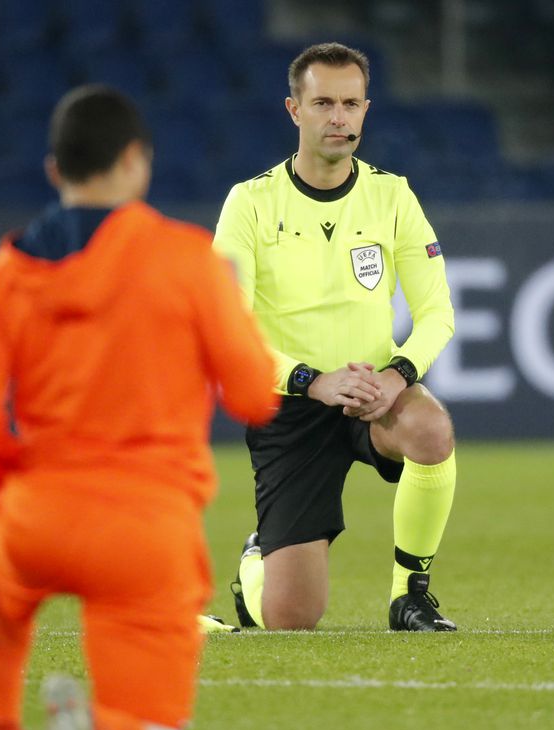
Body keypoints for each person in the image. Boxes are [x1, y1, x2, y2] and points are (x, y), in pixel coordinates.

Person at [0, 84, 278, 730]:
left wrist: (21, 480)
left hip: (36, 514)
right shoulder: (187, 259)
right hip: (146, 533)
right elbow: (254, 394)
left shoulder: (4, 271)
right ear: (135, 161)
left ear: (53, 170)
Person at [213, 42, 458, 632]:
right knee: (292, 623)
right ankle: (258, 567)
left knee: (430, 427)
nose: (339, 117)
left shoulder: (392, 195)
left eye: (351, 104)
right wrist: (309, 380)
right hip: (289, 407)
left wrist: (398, 376)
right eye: (323, 102)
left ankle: (411, 595)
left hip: (373, 392)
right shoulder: (249, 203)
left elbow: (437, 314)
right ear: (294, 110)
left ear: (366, 109)